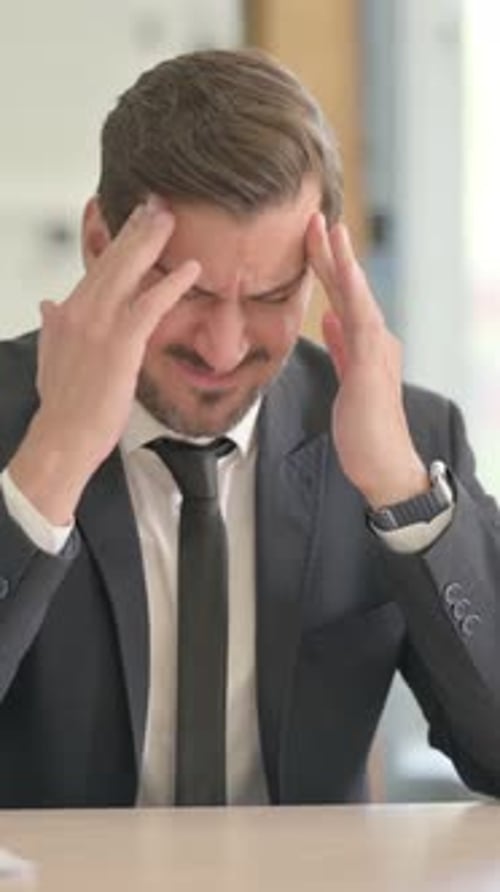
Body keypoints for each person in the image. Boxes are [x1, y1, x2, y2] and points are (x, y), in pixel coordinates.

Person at [1, 47, 500, 809]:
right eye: (187, 292)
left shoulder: (407, 438)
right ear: (102, 245)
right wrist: (55, 460)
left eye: (271, 296)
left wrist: (400, 494)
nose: (223, 349)